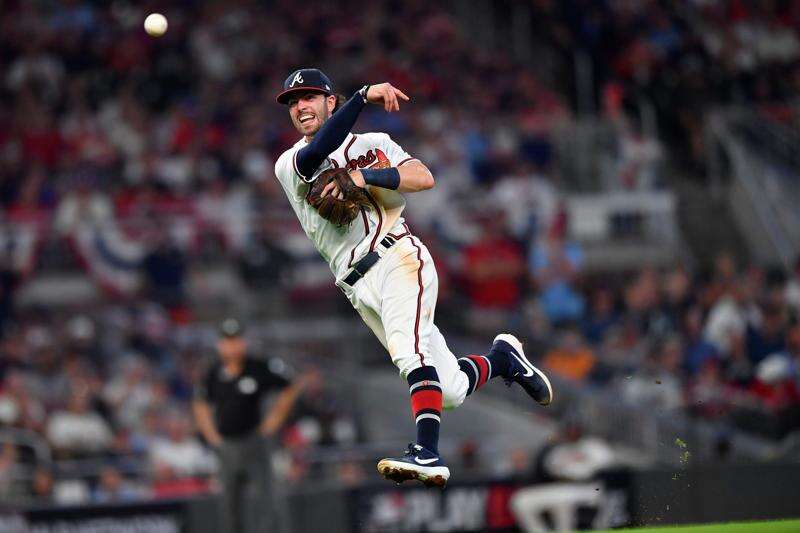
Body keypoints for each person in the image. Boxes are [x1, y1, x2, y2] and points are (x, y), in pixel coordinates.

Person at [273, 68, 553, 488]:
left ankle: (427, 451)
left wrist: (367, 175)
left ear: (332, 102)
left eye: (310, 97)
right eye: (293, 102)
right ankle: (502, 360)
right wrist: (364, 97)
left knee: (410, 355)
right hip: (355, 285)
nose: (300, 107)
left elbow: (423, 177)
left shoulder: (373, 145)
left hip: (397, 258)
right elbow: (319, 154)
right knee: (452, 391)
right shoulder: (288, 163)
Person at [193, 318, 307, 533]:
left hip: (254, 442)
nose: (232, 346)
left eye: (236, 340)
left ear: (243, 342)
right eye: (227, 341)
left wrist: (274, 419)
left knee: (267, 501)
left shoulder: (258, 367)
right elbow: (200, 402)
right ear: (220, 344)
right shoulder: (213, 371)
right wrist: (210, 434)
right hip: (226, 445)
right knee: (229, 505)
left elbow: (292, 384)